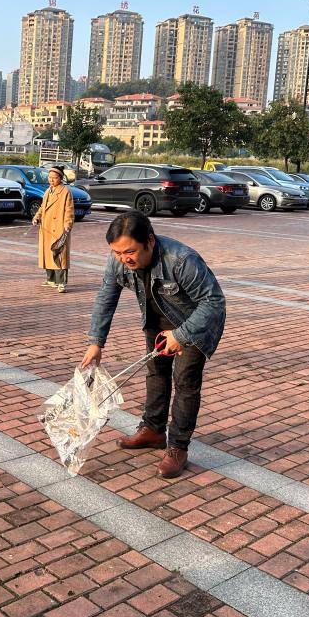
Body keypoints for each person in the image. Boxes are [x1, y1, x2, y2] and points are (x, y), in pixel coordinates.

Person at [80, 211, 226, 479]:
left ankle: (178, 447)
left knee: (185, 381)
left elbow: (214, 302)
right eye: (117, 253)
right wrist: (96, 343)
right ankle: (154, 430)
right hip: (156, 321)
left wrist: (180, 335)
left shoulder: (182, 260)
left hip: (195, 324)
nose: (124, 259)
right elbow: (105, 298)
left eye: (129, 251)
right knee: (156, 373)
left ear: (149, 241)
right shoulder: (118, 262)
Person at [32, 165, 74, 293]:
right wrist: (37, 217)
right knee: (47, 253)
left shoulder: (65, 191)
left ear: (60, 178)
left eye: (54, 178)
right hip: (46, 228)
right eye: (50, 178)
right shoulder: (48, 191)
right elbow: (42, 207)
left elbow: (69, 210)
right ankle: (51, 279)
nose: (51, 180)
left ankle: (61, 282)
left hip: (59, 228)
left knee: (59, 254)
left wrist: (68, 224)